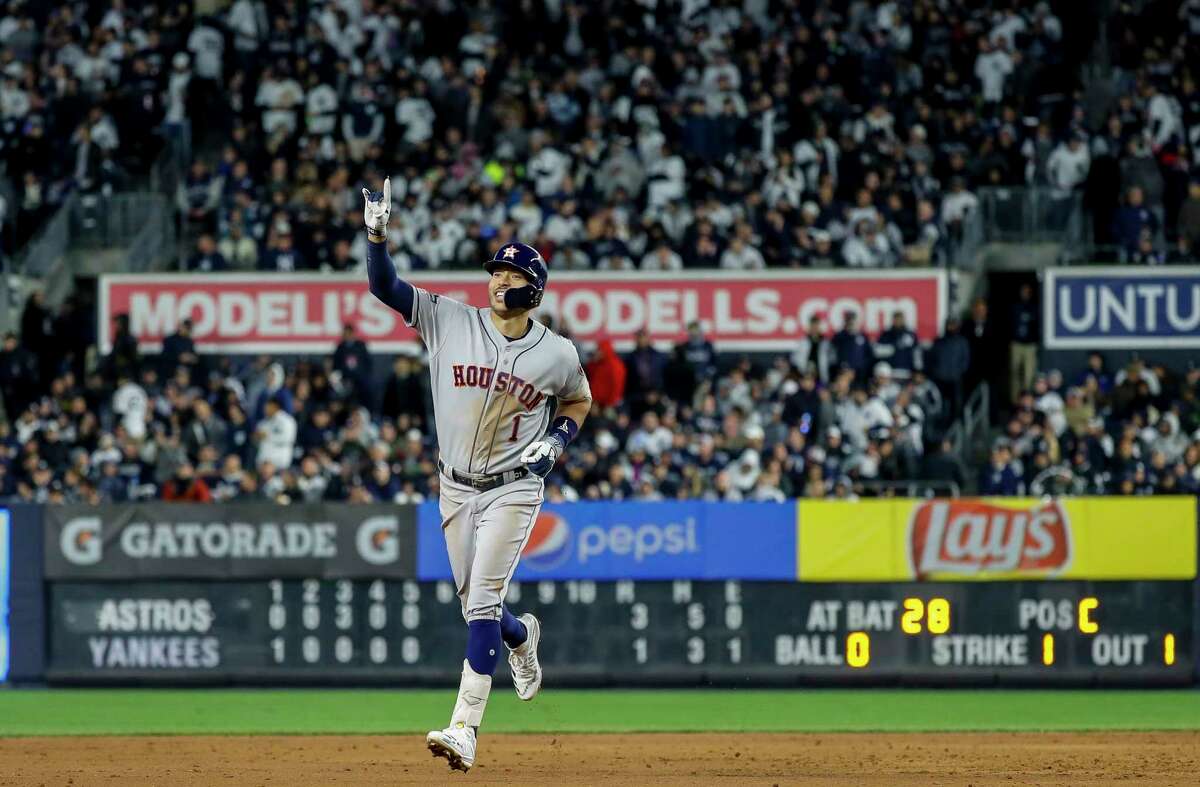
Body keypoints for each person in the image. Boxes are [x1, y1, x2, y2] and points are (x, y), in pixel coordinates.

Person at [363, 179, 592, 772]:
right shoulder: (449, 319)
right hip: (455, 486)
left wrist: (558, 440)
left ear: (532, 290)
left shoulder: (557, 353)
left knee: (483, 602)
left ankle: (463, 728)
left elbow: (578, 400)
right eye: (495, 272)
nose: (497, 282)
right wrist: (376, 236)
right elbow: (383, 286)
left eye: (510, 277)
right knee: (478, 613)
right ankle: (521, 637)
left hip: (514, 485)